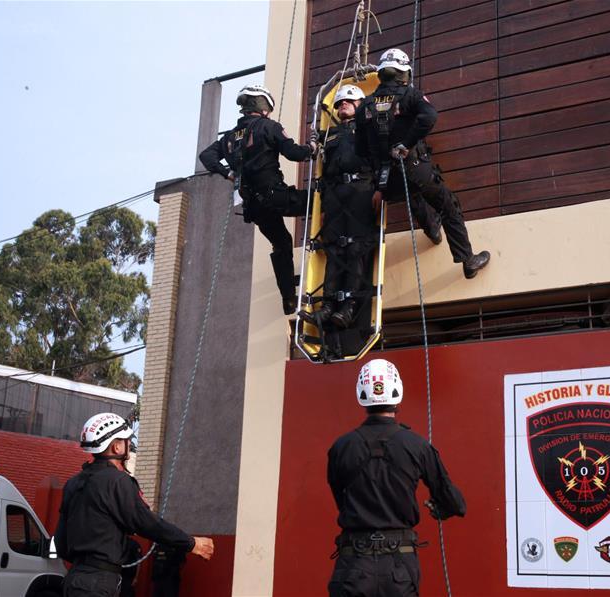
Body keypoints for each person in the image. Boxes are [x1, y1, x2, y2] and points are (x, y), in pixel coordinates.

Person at [327, 359, 466, 596]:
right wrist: (441, 508)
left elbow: (341, 500)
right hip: (399, 568)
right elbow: (454, 502)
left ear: (361, 393)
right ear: (397, 390)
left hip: (354, 564)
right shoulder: (417, 445)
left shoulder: (341, 447)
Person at [356, 48, 491, 279]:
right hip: (414, 169)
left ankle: (432, 230)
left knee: (416, 195)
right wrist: (406, 144)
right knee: (449, 206)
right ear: (403, 73)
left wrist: (378, 186)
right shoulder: (410, 95)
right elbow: (429, 117)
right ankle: (468, 260)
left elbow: (361, 151)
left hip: (385, 182)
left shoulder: (364, 107)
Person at [56, 413, 214, 597]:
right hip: (98, 582)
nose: (129, 444)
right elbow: (148, 523)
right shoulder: (118, 481)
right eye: (126, 440)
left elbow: (60, 541)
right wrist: (191, 543)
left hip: (73, 578)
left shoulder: (73, 484)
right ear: (116, 447)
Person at [199, 84, 318, 315]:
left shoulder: (230, 137)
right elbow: (294, 153)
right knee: (322, 200)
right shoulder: (268, 126)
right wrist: (311, 148)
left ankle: (288, 299)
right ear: (263, 106)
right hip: (276, 196)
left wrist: (228, 173)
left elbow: (206, 156)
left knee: (281, 242)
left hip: (254, 206)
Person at [300, 84, 378, 329]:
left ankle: (349, 307)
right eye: (339, 103)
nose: (341, 104)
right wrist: (322, 208)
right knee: (335, 251)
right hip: (335, 197)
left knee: (356, 249)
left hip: (361, 191)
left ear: (359, 104)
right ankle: (328, 307)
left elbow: (380, 159)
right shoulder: (329, 135)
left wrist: (380, 189)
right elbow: (323, 173)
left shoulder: (370, 130)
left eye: (347, 101)